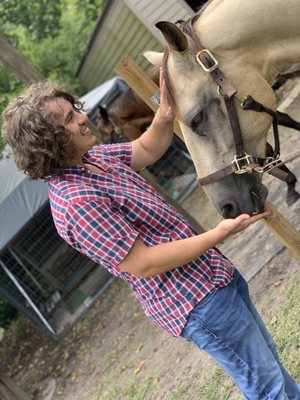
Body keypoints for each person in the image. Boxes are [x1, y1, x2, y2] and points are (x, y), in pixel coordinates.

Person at [2, 70, 299, 400]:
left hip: (212, 276)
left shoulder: (92, 159)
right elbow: (142, 263)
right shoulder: (76, 203)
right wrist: (218, 234)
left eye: (76, 109)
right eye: (70, 119)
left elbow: (146, 148)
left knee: (266, 363)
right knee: (265, 384)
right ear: (48, 141)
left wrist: (164, 114)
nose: (83, 118)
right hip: (196, 301)